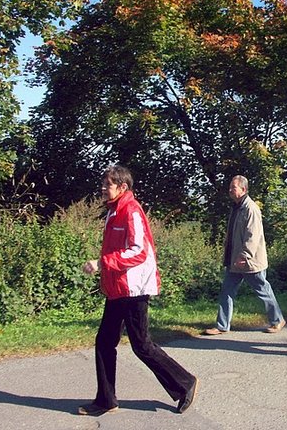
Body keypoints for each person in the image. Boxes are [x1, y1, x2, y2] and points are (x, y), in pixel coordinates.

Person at [78, 165, 198, 416]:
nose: (102, 188)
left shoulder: (131, 211)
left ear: (122, 187)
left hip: (134, 288)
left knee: (142, 345)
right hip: (118, 288)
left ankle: (184, 383)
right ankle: (106, 400)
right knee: (104, 342)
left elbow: (138, 251)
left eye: (107, 184)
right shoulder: (113, 211)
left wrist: (102, 263)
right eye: (103, 183)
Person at [204, 175, 286, 335]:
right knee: (227, 291)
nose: (230, 190)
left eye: (233, 187)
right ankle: (222, 326)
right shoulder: (236, 207)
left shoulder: (251, 208)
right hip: (234, 260)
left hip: (249, 261)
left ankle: (278, 320)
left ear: (244, 189)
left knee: (263, 290)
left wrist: (244, 256)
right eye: (230, 187)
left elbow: (252, 236)